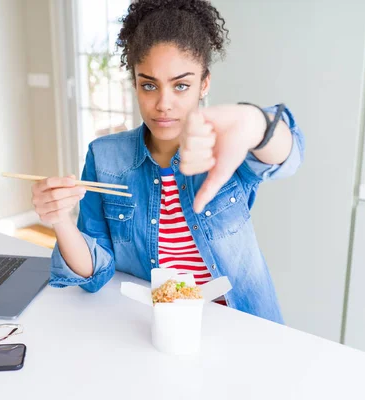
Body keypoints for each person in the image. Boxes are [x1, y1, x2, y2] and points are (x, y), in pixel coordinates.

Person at [31, 0, 304, 323]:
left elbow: (288, 157)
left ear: (204, 84)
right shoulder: (105, 157)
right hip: (151, 323)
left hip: (240, 320)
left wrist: (256, 123)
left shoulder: (228, 144)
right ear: (134, 83)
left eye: (181, 85)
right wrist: (59, 220)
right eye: (149, 85)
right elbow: (95, 273)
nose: (163, 104)